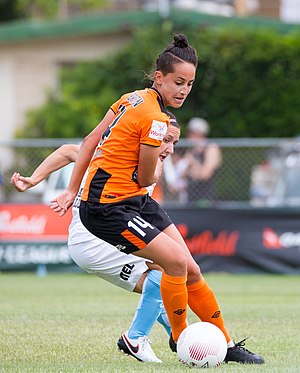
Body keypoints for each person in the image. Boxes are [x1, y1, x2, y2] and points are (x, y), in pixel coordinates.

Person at [51, 34, 264, 364]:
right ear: (159, 77)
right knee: (174, 264)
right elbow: (148, 177)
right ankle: (181, 339)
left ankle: (227, 342)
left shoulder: (131, 98)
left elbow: (91, 140)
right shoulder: (155, 119)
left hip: (134, 201)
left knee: (190, 267)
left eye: (190, 84)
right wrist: (149, 157)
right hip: (107, 208)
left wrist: (70, 189)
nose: (183, 90)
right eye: (178, 82)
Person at [10, 118, 181, 363]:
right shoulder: (121, 157)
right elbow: (69, 151)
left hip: (99, 236)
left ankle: (177, 335)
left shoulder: (150, 162)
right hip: (93, 239)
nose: (169, 149)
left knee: (163, 283)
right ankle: (137, 338)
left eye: (174, 142)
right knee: (166, 268)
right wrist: (34, 179)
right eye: (165, 140)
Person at [183, 117, 222, 203]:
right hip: (190, 199)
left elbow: (205, 174)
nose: (188, 136)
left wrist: (192, 162)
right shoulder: (191, 151)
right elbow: (184, 175)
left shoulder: (211, 148)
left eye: (191, 133)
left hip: (205, 199)